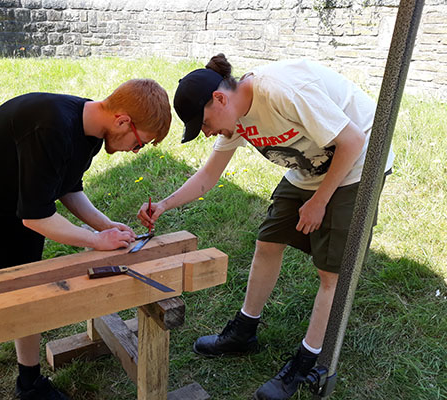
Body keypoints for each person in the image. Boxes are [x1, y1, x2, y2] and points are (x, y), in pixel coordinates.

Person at [137, 55, 393, 400]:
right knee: (268, 242)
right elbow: (208, 175)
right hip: (310, 169)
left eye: (205, 124)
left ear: (220, 99)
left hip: (358, 162)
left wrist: (319, 202)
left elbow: (351, 141)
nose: (208, 133)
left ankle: (308, 363)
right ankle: (244, 331)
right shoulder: (236, 116)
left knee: (332, 272)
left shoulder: (281, 92)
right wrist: (165, 204)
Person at [0, 79, 172, 400]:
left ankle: (30, 383)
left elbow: (67, 189)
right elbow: (36, 217)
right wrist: (96, 240)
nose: (133, 151)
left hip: (23, 202)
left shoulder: (91, 133)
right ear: (122, 120)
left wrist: (106, 226)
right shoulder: (51, 126)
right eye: (138, 144)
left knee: (29, 292)